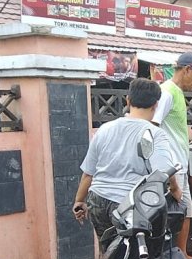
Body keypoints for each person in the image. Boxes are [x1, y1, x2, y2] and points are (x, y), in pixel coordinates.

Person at [73, 78, 181, 250]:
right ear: (156, 104)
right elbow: (163, 172)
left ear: (128, 100)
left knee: (108, 253)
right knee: (133, 256)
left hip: (98, 199)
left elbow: (88, 173)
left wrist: (79, 201)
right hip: (129, 204)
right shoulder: (154, 133)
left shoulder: (104, 129)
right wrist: (175, 189)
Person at [152, 52, 192, 259]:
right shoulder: (167, 92)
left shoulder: (175, 92)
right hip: (171, 167)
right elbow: (154, 127)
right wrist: (167, 169)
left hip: (178, 165)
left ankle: (181, 254)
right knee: (176, 211)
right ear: (187, 69)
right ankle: (175, 256)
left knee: (184, 211)